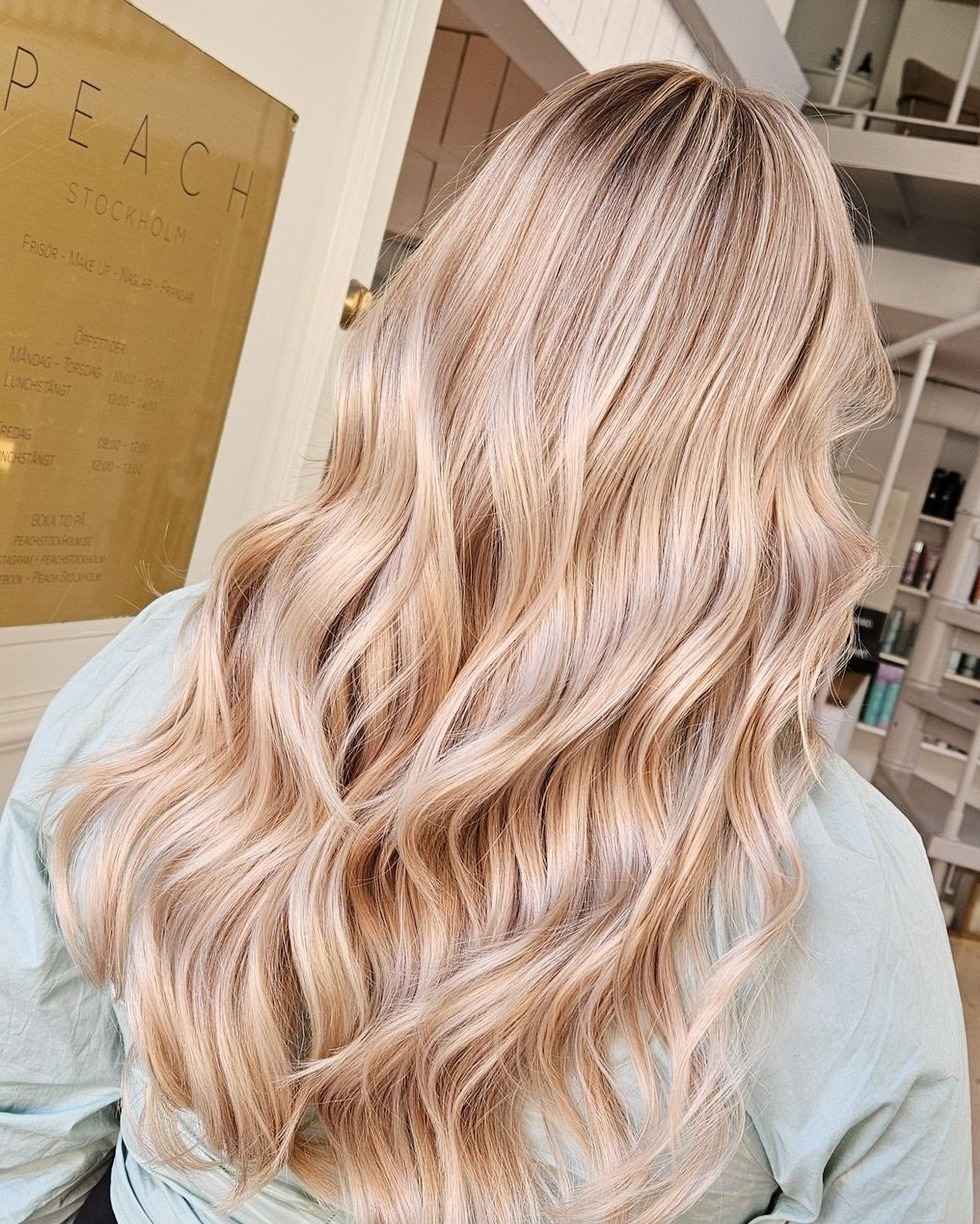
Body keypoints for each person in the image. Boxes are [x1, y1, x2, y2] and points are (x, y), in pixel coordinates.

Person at [0, 63, 971, 1224]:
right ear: (781, 426)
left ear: (445, 326)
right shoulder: (833, 881)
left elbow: (23, 1121)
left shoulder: (186, 669)